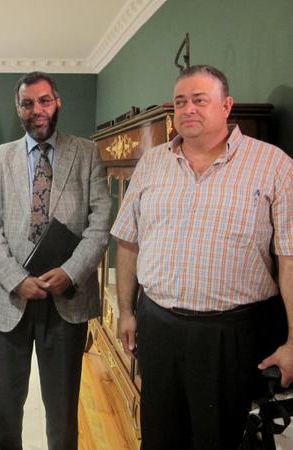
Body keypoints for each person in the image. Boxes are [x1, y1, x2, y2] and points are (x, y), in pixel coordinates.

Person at [112, 64, 293, 450]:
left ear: (226, 106)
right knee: (159, 437)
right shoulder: (151, 163)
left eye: (199, 100)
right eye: (180, 102)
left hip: (232, 336)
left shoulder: (273, 165)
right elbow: (127, 241)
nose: (188, 109)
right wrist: (125, 310)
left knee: (219, 440)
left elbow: (289, 258)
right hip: (157, 326)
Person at [0, 71, 110, 450]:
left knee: (62, 414)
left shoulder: (86, 153)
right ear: (18, 109)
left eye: (44, 100)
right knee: (4, 412)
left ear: (58, 102)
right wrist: (16, 279)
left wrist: (71, 272)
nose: (37, 109)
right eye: (28, 103)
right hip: (10, 301)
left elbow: (100, 222)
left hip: (66, 300)